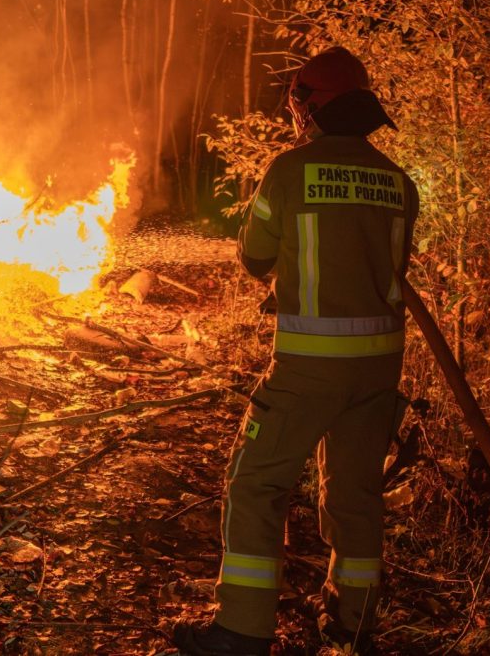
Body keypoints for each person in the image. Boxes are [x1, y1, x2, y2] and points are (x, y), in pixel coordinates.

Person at [174, 47, 419, 656]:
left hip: (309, 367)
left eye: (299, 102)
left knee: (258, 484)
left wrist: (286, 273)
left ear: (313, 107)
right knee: (356, 495)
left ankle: (243, 629)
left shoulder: (289, 171)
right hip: (380, 368)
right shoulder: (398, 182)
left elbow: (256, 257)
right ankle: (353, 625)